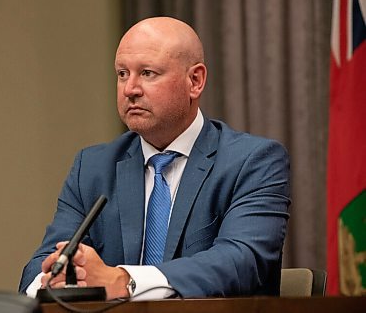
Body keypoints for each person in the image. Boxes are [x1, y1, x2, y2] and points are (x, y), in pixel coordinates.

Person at [19, 17, 290, 300]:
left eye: (147, 73)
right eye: (122, 74)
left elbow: (242, 261)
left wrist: (125, 281)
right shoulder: (93, 168)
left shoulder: (253, 161)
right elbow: (42, 264)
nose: (130, 89)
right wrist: (52, 278)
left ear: (194, 81)